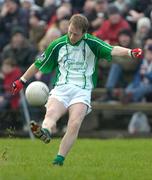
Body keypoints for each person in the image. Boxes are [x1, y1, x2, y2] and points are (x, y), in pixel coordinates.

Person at [12, 14, 142, 166]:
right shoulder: (57, 44)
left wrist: (130, 52)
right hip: (62, 87)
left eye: (76, 34)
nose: (72, 36)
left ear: (84, 33)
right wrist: (21, 80)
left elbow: (112, 49)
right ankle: (45, 131)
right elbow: (38, 64)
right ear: (68, 27)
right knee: (51, 113)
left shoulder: (92, 43)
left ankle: (59, 160)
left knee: (74, 123)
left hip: (82, 89)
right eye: (70, 32)